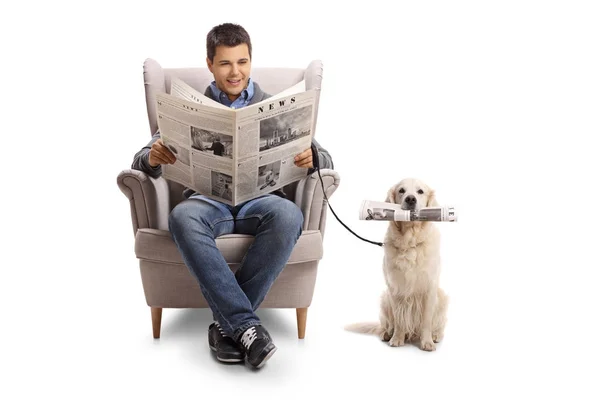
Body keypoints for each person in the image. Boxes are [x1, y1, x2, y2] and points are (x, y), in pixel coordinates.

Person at [131, 23, 334, 369]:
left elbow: (325, 159)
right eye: (225, 63)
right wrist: (151, 159)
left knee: (289, 217)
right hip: (208, 201)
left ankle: (229, 327)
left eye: (242, 62)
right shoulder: (188, 106)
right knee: (182, 217)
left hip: (262, 200)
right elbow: (139, 159)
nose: (235, 72)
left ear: (251, 61)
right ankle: (246, 326)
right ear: (210, 64)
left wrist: (316, 159)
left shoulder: (275, 105)